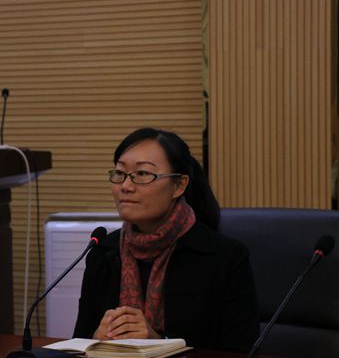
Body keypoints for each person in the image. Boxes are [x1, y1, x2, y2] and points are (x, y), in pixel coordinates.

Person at [73, 127, 260, 352]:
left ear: (179, 185)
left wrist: (160, 344)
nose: (126, 186)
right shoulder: (103, 251)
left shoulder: (225, 257)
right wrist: (94, 340)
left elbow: (240, 351)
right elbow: (78, 341)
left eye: (142, 174)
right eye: (120, 173)